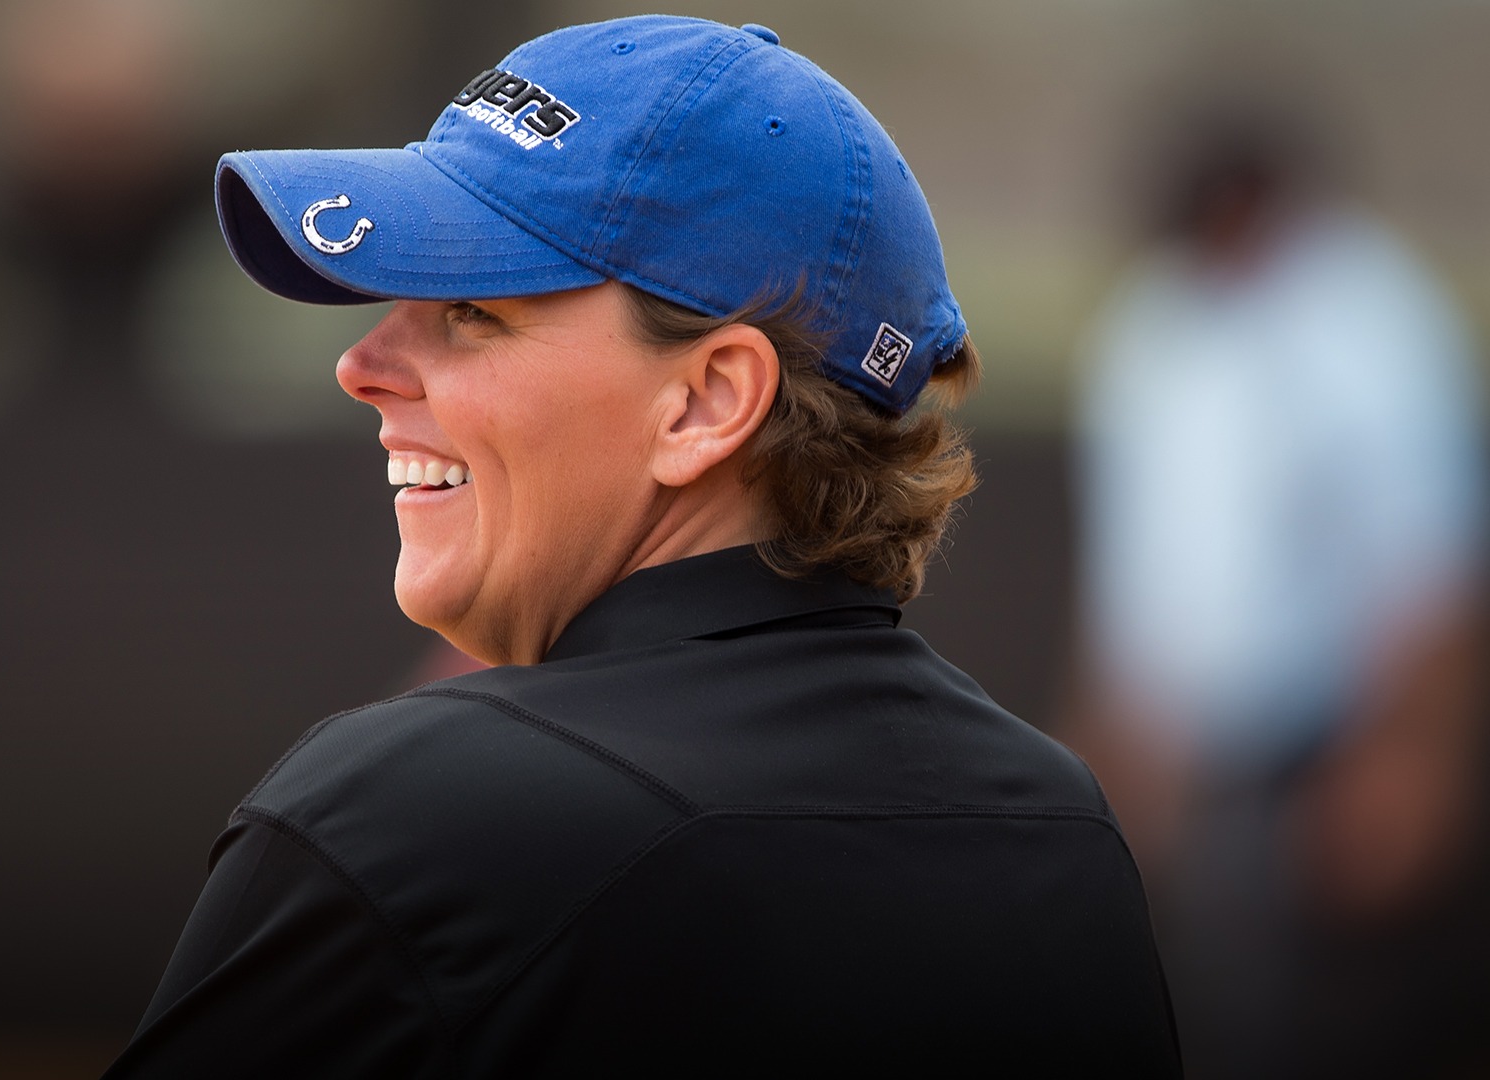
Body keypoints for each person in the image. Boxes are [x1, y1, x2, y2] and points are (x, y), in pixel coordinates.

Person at [104, 16, 1179, 1076]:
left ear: (707, 402)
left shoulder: (410, 824)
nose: (366, 363)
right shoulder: (1063, 838)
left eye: (472, 308)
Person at [1067, 103, 1486, 1078]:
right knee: (1201, 1014)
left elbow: (1430, 559)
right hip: (1190, 760)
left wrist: (1412, 752)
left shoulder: (1370, 318)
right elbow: (1141, 560)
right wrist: (1107, 732)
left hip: (1326, 746)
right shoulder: (1156, 320)